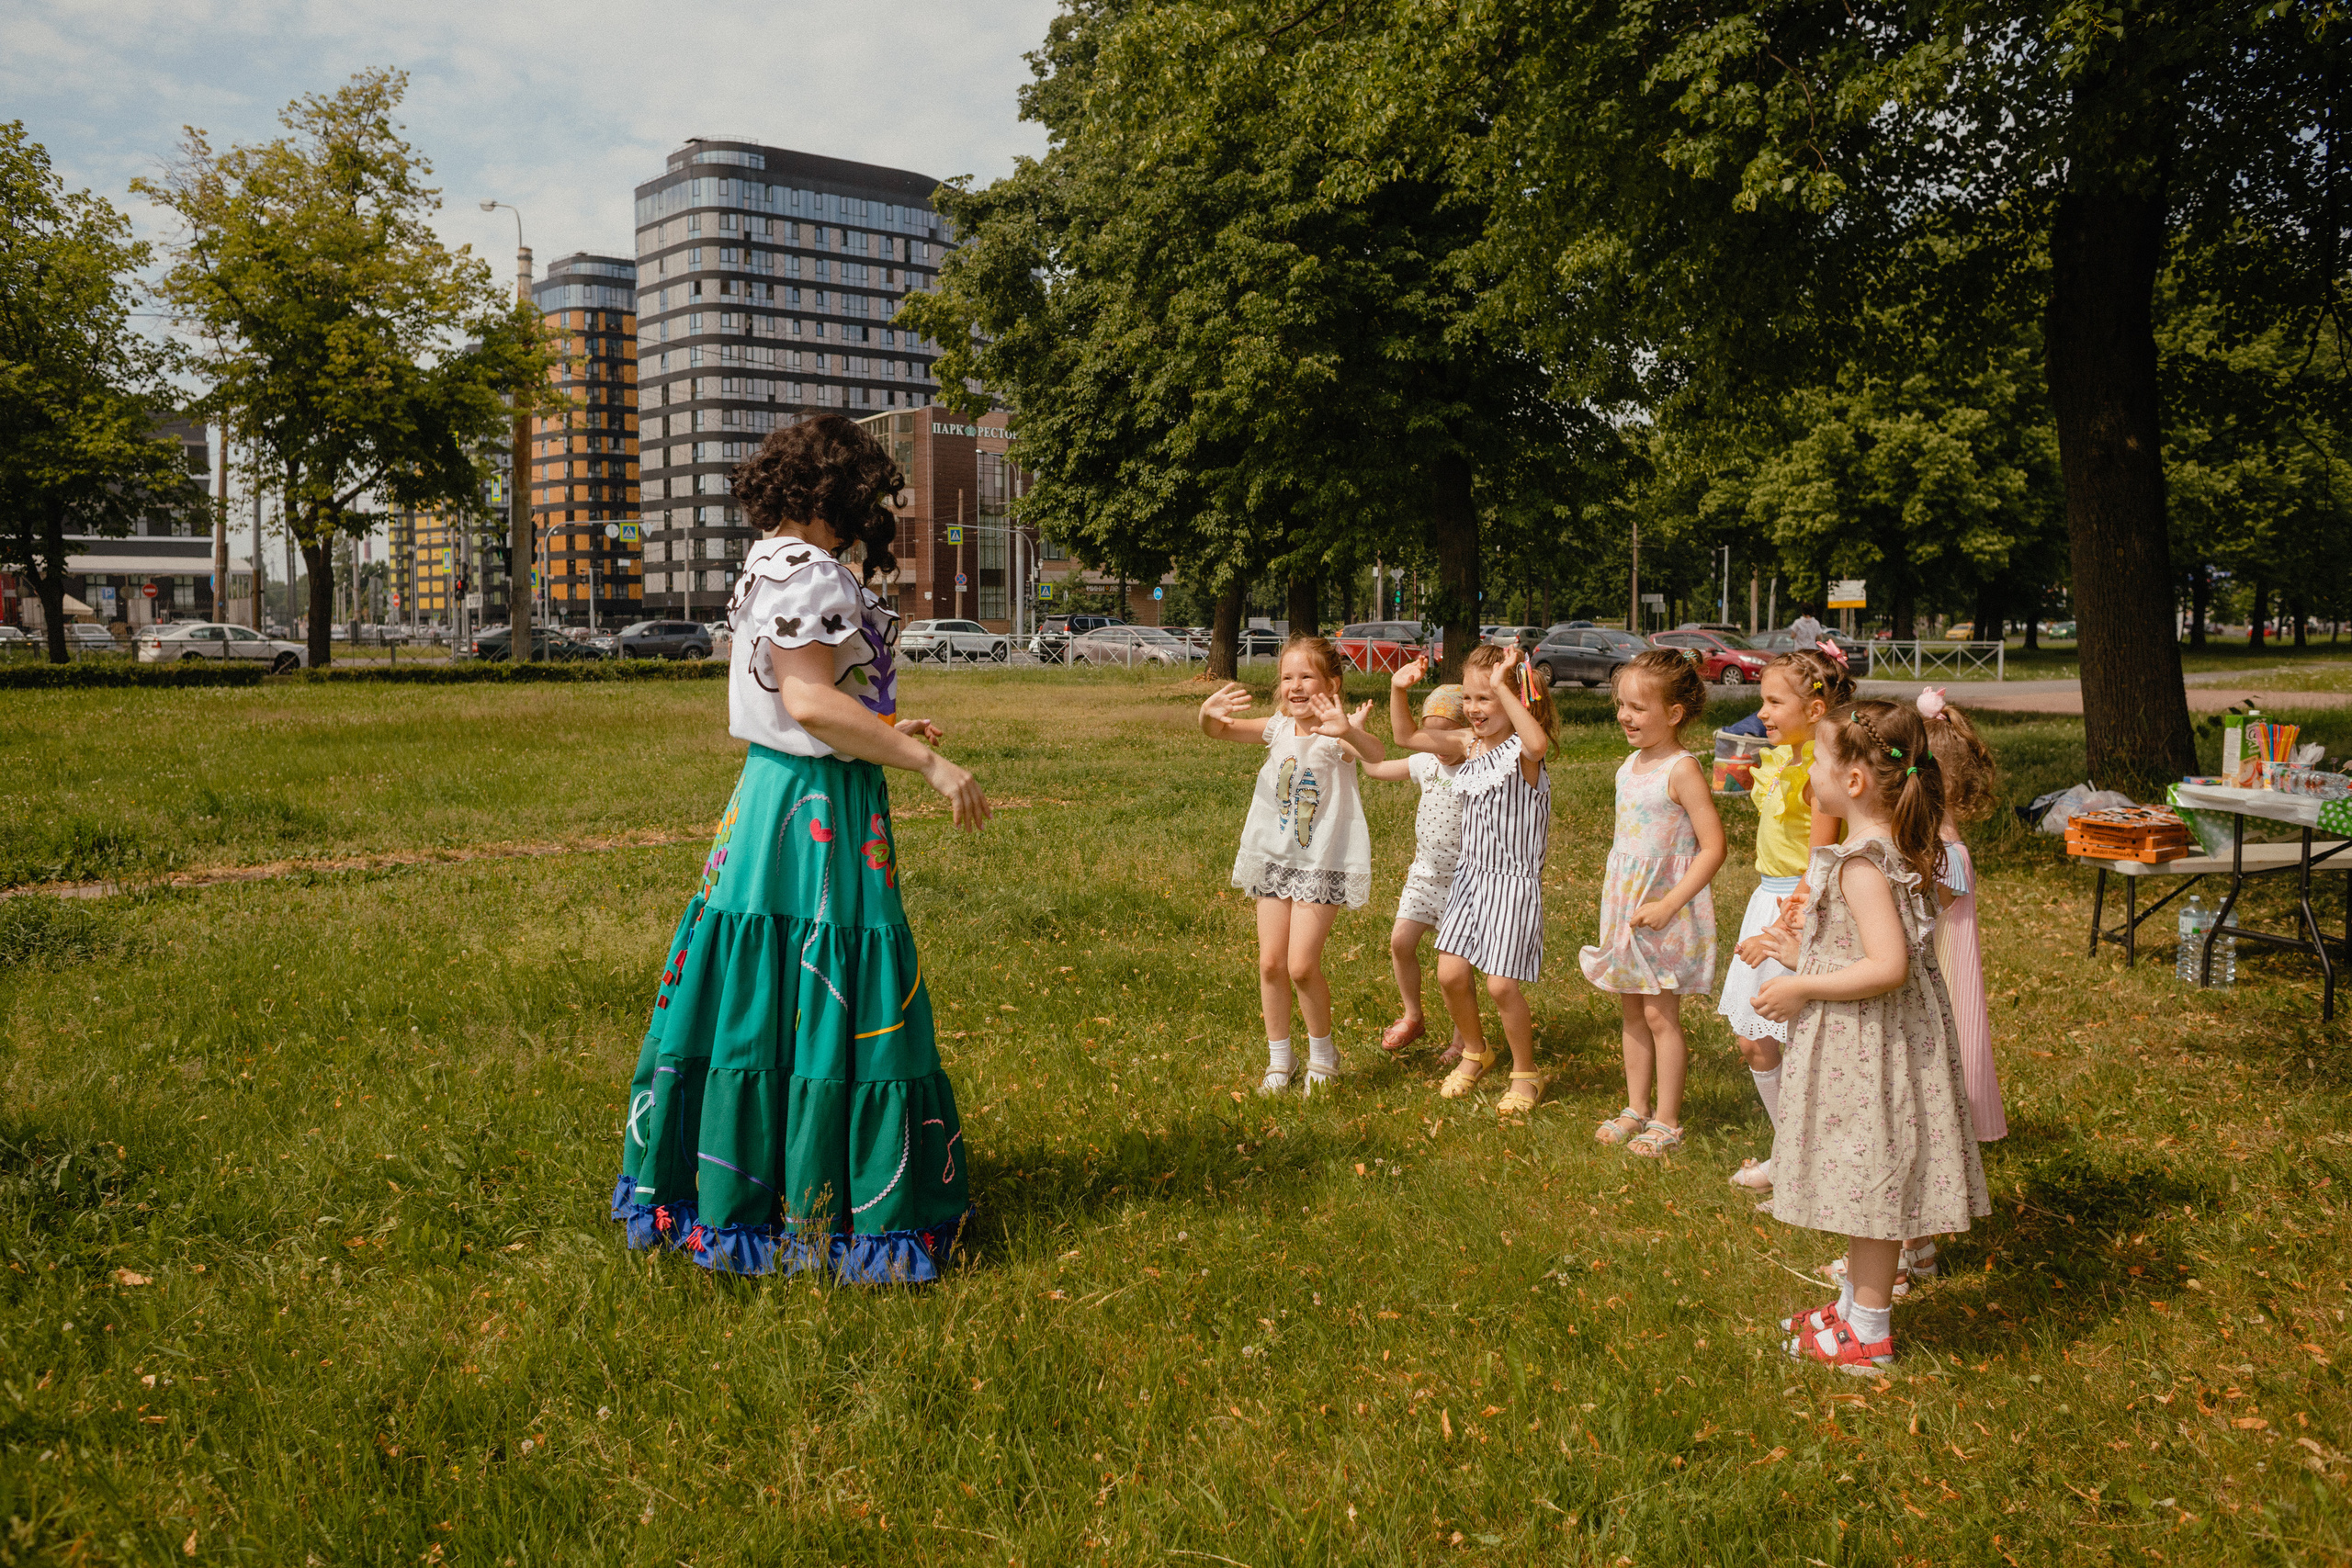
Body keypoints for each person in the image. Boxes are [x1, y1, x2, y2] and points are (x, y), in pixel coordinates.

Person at [611, 413, 989, 1284]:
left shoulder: (763, 562)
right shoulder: (812, 570)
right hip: (815, 813)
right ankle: (832, 1206)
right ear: (838, 491)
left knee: (761, 988)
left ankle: (743, 1185)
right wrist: (929, 761)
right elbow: (812, 706)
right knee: (828, 984)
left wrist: (885, 725)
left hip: (769, 800)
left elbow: (808, 701)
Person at [1750, 699, 1990, 1371]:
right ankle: (1854, 1312)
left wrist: (1800, 987)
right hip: (1877, 1043)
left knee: (1875, 1187)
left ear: (1853, 781)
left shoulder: (1863, 863)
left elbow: (1886, 966)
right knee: (1864, 1184)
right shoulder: (1886, 850)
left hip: (1873, 1051)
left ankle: (1871, 1331)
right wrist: (1795, 955)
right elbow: (1874, 951)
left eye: (1820, 761)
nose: (1812, 773)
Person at [1200, 637, 1382, 1093]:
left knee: (1302, 966)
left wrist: (1349, 730)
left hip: (1321, 863)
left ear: (1332, 684)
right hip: (1274, 859)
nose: (1295, 686)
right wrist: (1207, 713)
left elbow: (1376, 756)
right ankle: (1280, 1061)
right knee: (1270, 964)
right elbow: (1218, 730)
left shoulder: (1334, 734)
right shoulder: (1278, 727)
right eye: (1286, 677)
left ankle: (1324, 1056)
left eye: (1306, 677)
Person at [1395, 644, 1556, 1116]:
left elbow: (1537, 743)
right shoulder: (1467, 746)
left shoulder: (1523, 753)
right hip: (1470, 878)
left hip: (1511, 882)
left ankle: (1526, 1074)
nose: (1473, 709)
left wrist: (1506, 686)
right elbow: (1406, 739)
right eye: (1468, 698)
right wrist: (1397, 689)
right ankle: (1475, 1051)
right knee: (1450, 974)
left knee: (1502, 987)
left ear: (1513, 699)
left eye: (1485, 699)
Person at [1716, 649, 1853, 1193]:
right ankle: (1792, 1149)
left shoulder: (1820, 775)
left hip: (1801, 907)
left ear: (1816, 710)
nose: (1763, 713)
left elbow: (1819, 862)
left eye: (1775, 702)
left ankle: (1819, 1159)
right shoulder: (1775, 761)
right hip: (1766, 896)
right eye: (1762, 702)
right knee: (1753, 1039)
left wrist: (1785, 928)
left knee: (1800, 1042)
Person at [1580, 649, 1725, 1156]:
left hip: (1665, 909)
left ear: (1674, 714)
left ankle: (1667, 1120)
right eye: (1621, 704)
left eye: (1638, 708)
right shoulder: (1629, 764)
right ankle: (1635, 1107)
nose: (1624, 715)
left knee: (1662, 1015)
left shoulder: (1682, 769)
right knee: (1633, 1012)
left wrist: (1670, 904)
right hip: (1627, 905)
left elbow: (1714, 847)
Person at [1365, 662, 1467, 1058]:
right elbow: (1374, 768)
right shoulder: (1426, 763)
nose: (1437, 746)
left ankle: (1462, 1039)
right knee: (1401, 943)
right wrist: (1350, 736)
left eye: (1447, 737)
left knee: (1451, 970)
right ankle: (1413, 1015)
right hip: (1424, 876)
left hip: (1463, 882)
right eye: (1429, 738)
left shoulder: (1479, 766)